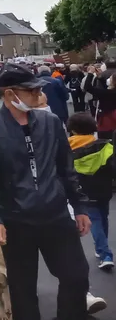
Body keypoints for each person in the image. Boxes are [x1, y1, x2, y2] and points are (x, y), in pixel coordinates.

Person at [0, 62, 94, 320]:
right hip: (16, 221)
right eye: (31, 91)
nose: (38, 95)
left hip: (55, 215)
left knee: (76, 275)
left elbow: (66, 168)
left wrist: (80, 207)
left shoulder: (50, 122)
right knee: (22, 289)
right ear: (10, 94)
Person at [68, 112, 116, 269]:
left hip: (85, 192)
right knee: (103, 217)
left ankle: (105, 253)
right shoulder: (105, 146)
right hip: (104, 190)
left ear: (73, 130)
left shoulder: (68, 150)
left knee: (94, 220)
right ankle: (102, 248)